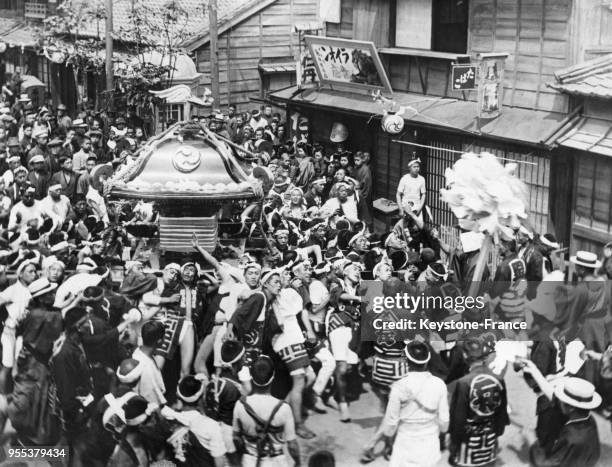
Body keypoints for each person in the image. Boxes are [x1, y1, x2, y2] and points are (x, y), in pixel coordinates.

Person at [366, 341, 449, 466]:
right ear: (427, 360)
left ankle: (371, 446)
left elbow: (390, 427)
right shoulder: (439, 384)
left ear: (406, 361)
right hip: (430, 444)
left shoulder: (398, 387)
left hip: (405, 443)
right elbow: (444, 424)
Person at [522, 360, 601, 467]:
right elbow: (552, 395)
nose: (559, 401)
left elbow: (547, 464)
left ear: (570, 408)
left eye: (562, 400)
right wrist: (534, 370)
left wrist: (532, 442)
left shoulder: (571, 436)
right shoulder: (589, 420)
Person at [449, 338, 509, 467]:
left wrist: (455, 441)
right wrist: (496, 434)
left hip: (469, 440)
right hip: (490, 437)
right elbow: (502, 411)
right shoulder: (498, 379)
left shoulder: (463, 382)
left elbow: (458, 418)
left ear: (465, 355)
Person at [232, 355, 301, 467]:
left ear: (251, 376)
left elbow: (236, 438)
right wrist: (298, 463)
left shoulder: (240, 405)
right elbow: (292, 445)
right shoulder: (283, 408)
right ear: (273, 376)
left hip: (250, 461)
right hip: (276, 462)